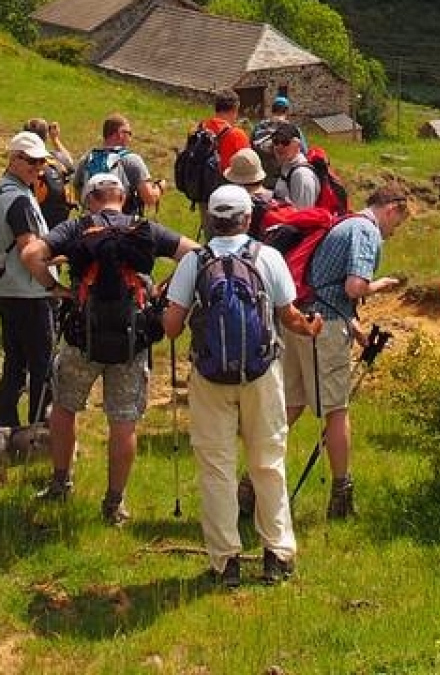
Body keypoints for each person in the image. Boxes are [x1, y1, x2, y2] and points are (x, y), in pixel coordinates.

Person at [163, 184, 323, 588]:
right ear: (247, 218)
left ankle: (225, 563)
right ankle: (277, 555)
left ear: (210, 218)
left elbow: (172, 327)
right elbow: (289, 316)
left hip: (209, 376)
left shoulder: (194, 262)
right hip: (261, 371)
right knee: (268, 463)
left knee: (216, 468)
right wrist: (310, 327)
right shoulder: (267, 257)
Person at [18, 170, 197, 523]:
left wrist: (57, 290)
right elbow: (196, 254)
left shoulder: (76, 228)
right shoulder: (142, 228)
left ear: (89, 199)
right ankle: (114, 503)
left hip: (81, 337)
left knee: (64, 408)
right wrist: (164, 290)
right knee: (123, 421)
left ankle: (60, 482)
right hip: (132, 339)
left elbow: (31, 254)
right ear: (124, 196)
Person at [283, 185, 412, 519]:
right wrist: (380, 285)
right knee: (337, 410)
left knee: (291, 404)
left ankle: (252, 485)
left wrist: (353, 326)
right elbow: (354, 286)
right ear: (391, 209)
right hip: (323, 328)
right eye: (396, 224)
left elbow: (323, 282)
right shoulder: (366, 230)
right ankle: (341, 497)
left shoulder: (342, 223)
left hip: (297, 320)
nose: (393, 232)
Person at [0, 130, 56, 428]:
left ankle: (6, 428)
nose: (38, 168)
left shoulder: (2, 190)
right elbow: (29, 252)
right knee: (42, 366)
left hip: (6, 288)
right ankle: (39, 432)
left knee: (14, 362)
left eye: (42, 162)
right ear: (14, 159)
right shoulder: (18, 199)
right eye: (32, 161)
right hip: (28, 293)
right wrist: (53, 285)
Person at [73, 112, 160, 215]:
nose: (130, 138)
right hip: (122, 221)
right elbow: (149, 198)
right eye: (129, 133)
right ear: (120, 133)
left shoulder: (87, 158)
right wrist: (159, 188)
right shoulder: (131, 159)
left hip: (91, 220)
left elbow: (77, 189)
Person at [23, 117, 76, 228]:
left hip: (35, 225)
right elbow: (69, 162)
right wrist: (55, 139)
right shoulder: (56, 159)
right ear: (46, 136)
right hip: (60, 225)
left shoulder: (23, 163)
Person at [267, 123, 320, 210]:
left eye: (285, 142)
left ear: (297, 144)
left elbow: (303, 213)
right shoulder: (287, 166)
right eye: (276, 141)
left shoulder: (301, 175)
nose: (279, 146)